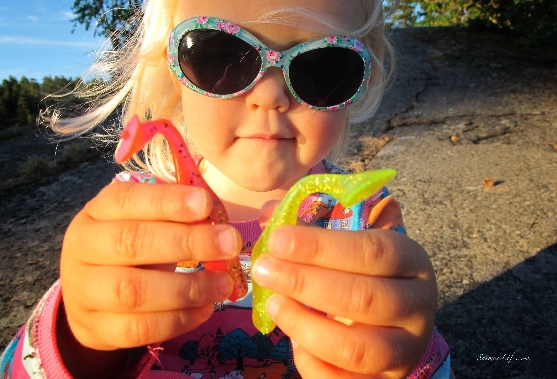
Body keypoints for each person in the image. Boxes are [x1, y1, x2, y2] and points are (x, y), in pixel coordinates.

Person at [0, 0, 454, 378]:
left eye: (323, 66)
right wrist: (79, 337)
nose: (271, 95)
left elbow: (401, 343)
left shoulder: (362, 217)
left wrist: (400, 357)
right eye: (220, 55)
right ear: (171, 70)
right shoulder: (136, 218)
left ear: (362, 81)